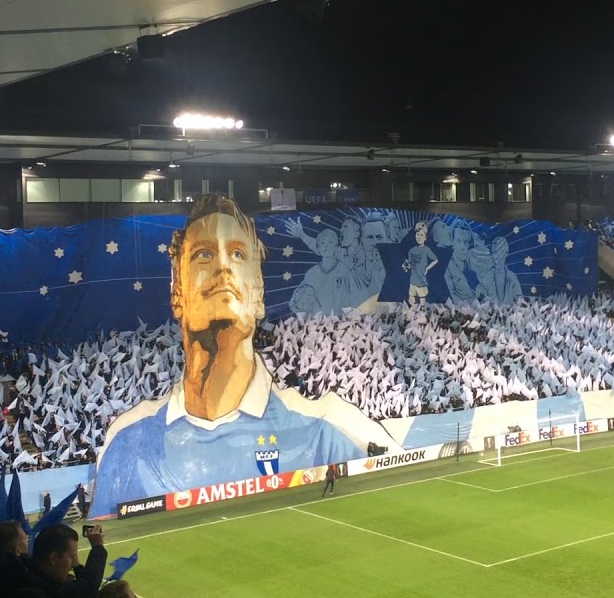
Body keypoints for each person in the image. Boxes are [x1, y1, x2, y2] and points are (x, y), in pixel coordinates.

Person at [92, 195, 400, 518]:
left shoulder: (329, 426)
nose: (223, 267)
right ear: (177, 294)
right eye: (203, 254)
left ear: (259, 296)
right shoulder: (126, 444)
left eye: (237, 254)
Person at [403, 222, 439, 305]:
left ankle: (422, 315)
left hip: (422, 283)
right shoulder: (411, 250)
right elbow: (409, 263)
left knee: (422, 303)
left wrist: (426, 268)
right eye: (417, 235)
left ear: (425, 238)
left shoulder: (426, 249)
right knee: (411, 300)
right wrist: (406, 266)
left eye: (421, 235)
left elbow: (435, 260)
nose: (419, 237)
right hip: (412, 282)